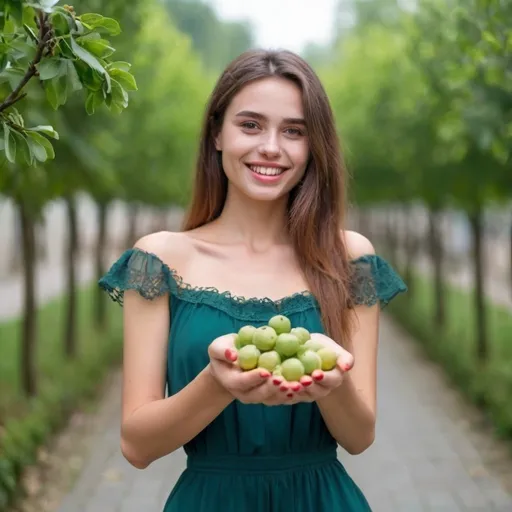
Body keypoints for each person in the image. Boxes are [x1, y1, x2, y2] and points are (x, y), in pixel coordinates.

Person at [99, 49, 407, 511]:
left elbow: (360, 437)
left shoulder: (349, 257)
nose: (271, 147)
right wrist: (217, 384)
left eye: (294, 131)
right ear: (217, 134)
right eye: (250, 125)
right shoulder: (159, 259)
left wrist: (333, 383)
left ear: (313, 145)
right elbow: (137, 446)